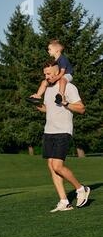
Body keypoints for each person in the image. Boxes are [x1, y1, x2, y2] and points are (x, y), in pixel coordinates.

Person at [35, 60, 91, 212]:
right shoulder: (47, 89)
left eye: (49, 74)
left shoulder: (69, 87)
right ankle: (64, 201)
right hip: (49, 131)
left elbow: (81, 108)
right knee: (51, 167)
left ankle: (81, 189)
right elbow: (48, 110)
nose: (46, 77)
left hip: (63, 131)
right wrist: (35, 104)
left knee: (58, 166)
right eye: (45, 74)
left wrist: (66, 104)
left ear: (58, 72)